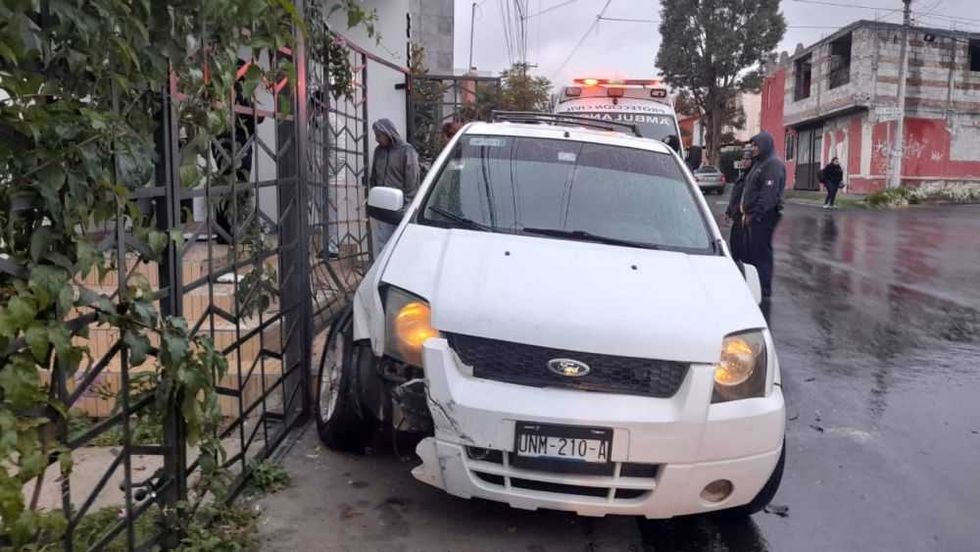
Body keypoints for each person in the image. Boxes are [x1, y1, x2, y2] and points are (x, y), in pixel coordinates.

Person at [741, 131, 786, 299]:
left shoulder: (772, 164)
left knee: (762, 253)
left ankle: (764, 288)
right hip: (753, 215)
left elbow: (768, 195)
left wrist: (756, 214)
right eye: (752, 145)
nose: (753, 149)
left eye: (755, 145)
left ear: (764, 145)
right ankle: (755, 283)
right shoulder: (759, 163)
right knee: (753, 251)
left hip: (765, 216)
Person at [369, 118, 419, 256]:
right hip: (382, 207)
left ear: (388, 133)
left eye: (379, 135)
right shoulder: (378, 151)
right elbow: (374, 176)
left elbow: (412, 180)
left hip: (400, 208)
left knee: (398, 245)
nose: (377, 139)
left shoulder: (406, 151)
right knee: (381, 244)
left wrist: (407, 205)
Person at [725, 156, 752, 263]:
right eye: (742, 159)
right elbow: (734, 196)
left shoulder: (753, 176)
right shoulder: (741, 177)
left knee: (745, 248)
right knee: (734, 244)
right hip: (737, 216)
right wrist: (728, 211)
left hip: (747, 217)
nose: (744, 161)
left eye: (747, 159)